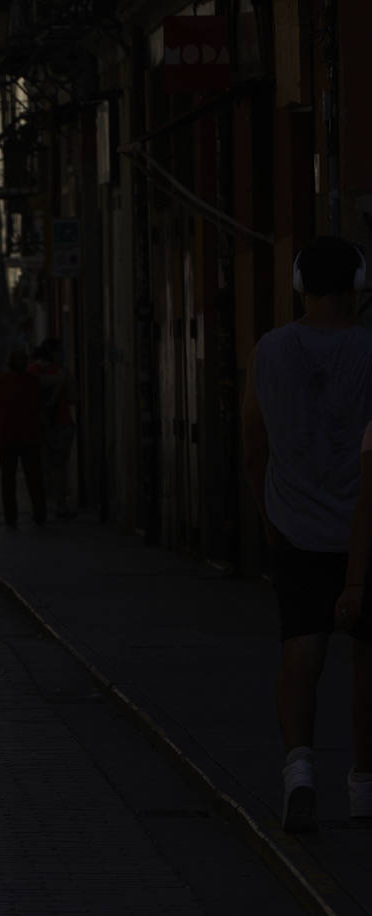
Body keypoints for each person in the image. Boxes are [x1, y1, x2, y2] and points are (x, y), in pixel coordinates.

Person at [244, 236, 372, 831]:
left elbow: (251, 435)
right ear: (359, 283)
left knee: (301, 651)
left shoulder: (269, 350)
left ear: (299, 283)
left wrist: (265, 508)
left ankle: (299, 770)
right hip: (363, 529)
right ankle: (364, 783)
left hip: (294, 525)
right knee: (366, 658)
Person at [0, 349, 46, 528]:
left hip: (6, 435)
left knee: (8, 478)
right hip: (29, 434)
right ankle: (39, 514)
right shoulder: (33, 381)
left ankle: (10, 516)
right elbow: (39, 403)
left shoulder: (0, 380)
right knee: (34, 477)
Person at [29, 338, 77, 518]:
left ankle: (41, 505)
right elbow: (73, 397)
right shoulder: (62, 372)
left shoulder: (32, 371)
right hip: (61, 422)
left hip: (38, 424)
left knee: (41, 466)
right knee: (60, 467)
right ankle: (60, 505)